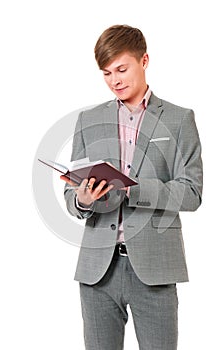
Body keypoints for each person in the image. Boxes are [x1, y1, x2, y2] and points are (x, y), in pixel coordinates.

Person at [61, 24, 203, 350]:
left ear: (145, 60)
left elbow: (192, 192)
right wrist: (82, 198)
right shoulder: (88, 120)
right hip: (98, 272)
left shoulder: (179, 120)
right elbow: (71, 196)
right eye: (107, 73)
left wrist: (132, 191)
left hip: (154, 271)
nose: (115, 80)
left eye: (122, 69)